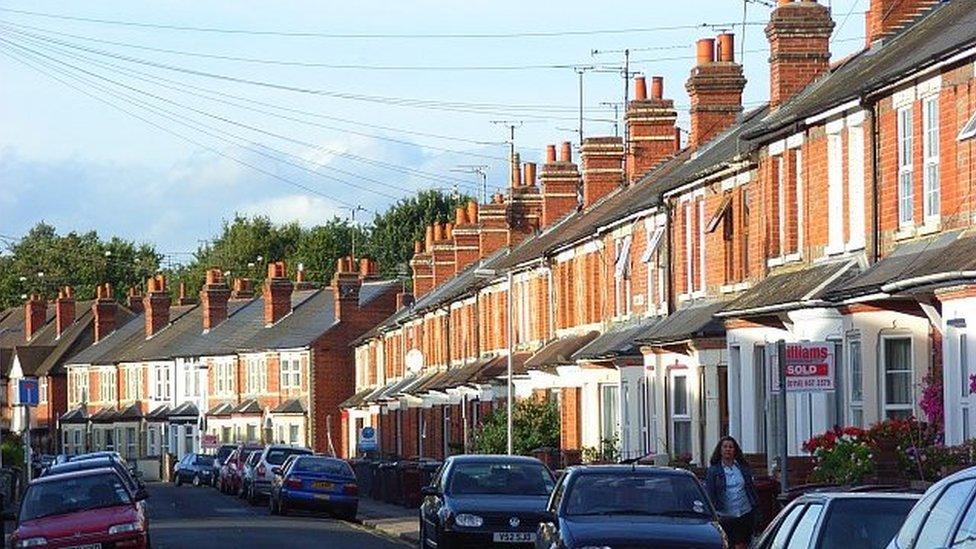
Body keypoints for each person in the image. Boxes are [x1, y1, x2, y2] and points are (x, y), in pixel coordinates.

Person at [705, 436, 759, 549]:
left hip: (744, 513)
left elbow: (750, 487)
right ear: (720, 450)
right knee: (728, 544)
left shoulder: (742, 468)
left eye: (731, 447)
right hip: (725, 516)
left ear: (735, 450)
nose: (728, 449)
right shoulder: (714, 470)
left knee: (742, 544)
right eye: (725, 447)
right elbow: (710, 493)